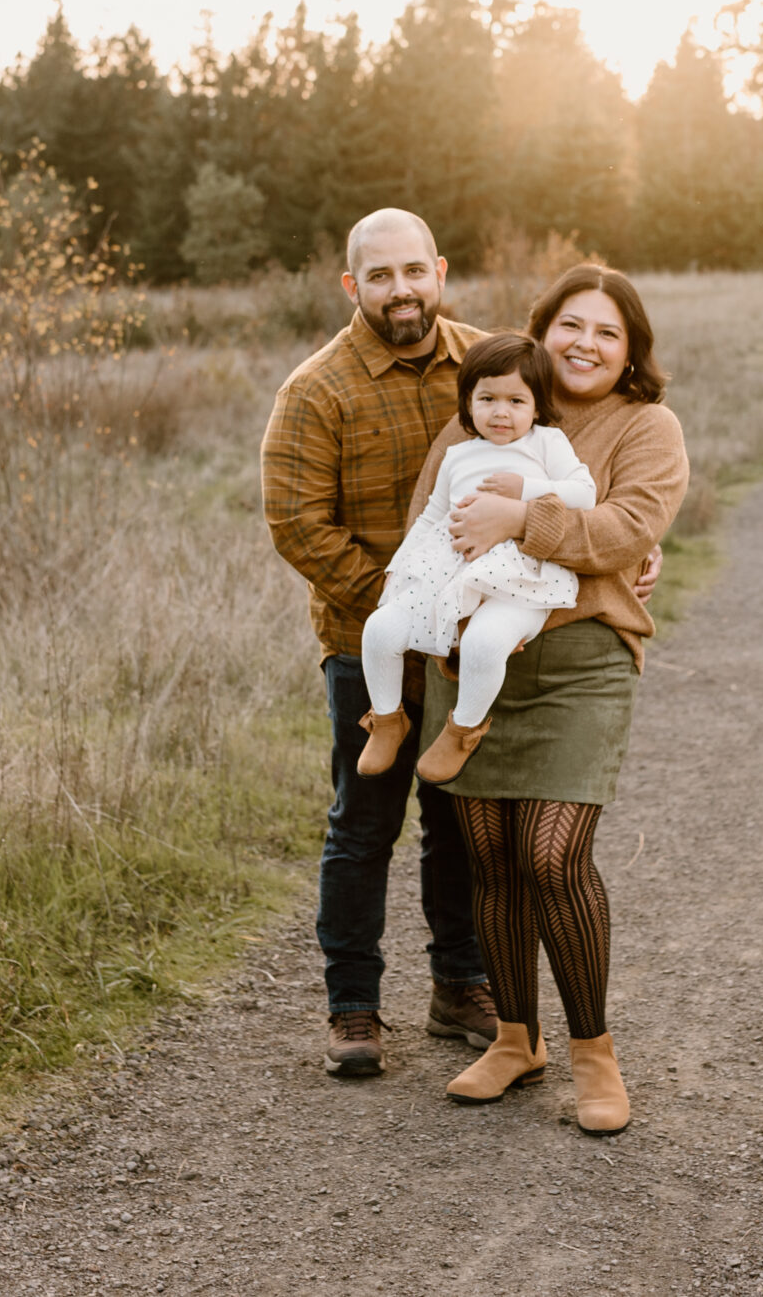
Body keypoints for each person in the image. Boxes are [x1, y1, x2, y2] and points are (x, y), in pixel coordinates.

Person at [407, 264, 688, 1136]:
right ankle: (516, 1039)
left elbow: (624, 531)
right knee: (490, 858)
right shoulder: (487, 411)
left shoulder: (648, 426)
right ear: (544, 328)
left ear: (631, 347)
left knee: (554, 857)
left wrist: (520, 523)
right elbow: (430, 522)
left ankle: (593, 1053)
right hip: (478, 659)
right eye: (572, 324)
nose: (586, 344)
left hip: (580, 662)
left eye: (608, 331)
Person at [261, 209, 497, 1078]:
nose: (402, 289)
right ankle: (353, 1008)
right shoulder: (316, 390)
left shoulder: (486, 364)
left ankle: (458, 986)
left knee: (457, 823)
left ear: (440, 270)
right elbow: (296, 525)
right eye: (381, 275)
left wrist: (634, 539)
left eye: (414, 270)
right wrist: (404, 604)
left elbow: (560, 453)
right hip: (367, 648)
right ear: (353, 286)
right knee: (363, 824)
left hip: (465, 644)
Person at [355, 333, 596, 783]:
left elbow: (585, 494)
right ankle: (387, 719)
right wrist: (399, 577)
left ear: (537, 406)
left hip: (521, 576)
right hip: (448, 569)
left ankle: (462, 730)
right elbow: (431, 516)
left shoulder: (547, 443)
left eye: (515, 401)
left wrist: (523, 490)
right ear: (468, 402)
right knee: (380, 627)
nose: (500, 412)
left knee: (485, 643)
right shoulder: (458, 453)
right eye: (487, 398)